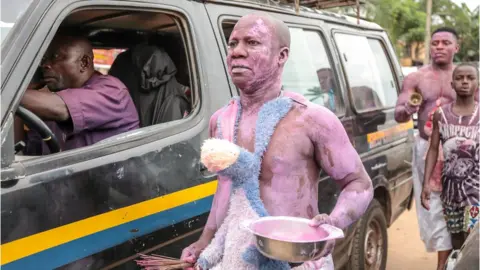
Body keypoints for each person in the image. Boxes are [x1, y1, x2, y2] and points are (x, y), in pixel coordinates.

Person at [180, 12, 373, 269]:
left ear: (281, 56)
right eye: (232, 43)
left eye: (252, 42)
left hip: (299, 262)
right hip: (238, 259)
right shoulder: (221, 120)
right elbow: (225, 188)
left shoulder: (311, 119)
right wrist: (204, 241)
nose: (236, 51)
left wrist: (334, 222)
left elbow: (359, 183)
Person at [395, 27, 465, 269]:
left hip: (462, 151)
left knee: (463, 209)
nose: (439, 47)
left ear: (457, 47)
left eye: (446, 42)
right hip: (428, 150)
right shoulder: (417, 78)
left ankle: (458, 261)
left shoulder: (466, 76)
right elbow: (399, 114)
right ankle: (443, 264)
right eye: (435, 43)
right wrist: (407, 110)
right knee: (433, 209)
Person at [20, 34, 139, 151]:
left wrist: (12, 94)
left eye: (55, 57)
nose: (45, 65)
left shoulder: (112, 90)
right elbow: (23, 150)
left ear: (84, 62)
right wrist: (19, 96)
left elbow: (60, 108)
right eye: (44, 60)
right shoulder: (49, 106)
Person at [422, 63, 479, 252]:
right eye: (460, 78)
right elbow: (432, 149)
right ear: (452, 84)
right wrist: (426, 183)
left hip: (476, 193)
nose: (465, 82)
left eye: (470, 78)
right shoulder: (441, 115)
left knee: (472, 240)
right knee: (455, 241)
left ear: (477, 84)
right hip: (450, 193)